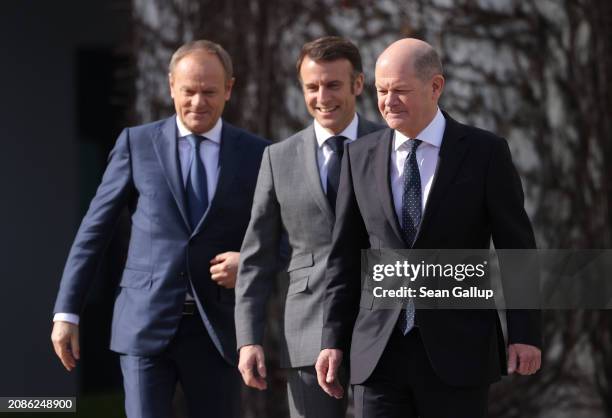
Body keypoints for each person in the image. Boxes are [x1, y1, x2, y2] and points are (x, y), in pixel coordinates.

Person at [315, 38, 542, 418]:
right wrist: (332, 340)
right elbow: (343, 259)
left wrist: (524, 333)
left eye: (400, 91)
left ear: (436, 86)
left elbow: (516, 250)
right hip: (378, 353)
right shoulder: (358, 156)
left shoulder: (485, 153)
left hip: (459, 352)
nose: (388, 102)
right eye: (381, 91)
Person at [51, 40, 269, 418]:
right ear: (171, 86)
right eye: (188, 91)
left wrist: (248, 262)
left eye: (209, 92)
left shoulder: (258, 153)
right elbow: (94, 231)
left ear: (229, 89)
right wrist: (67, 312)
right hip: (144, 324)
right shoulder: (136, 144)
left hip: (216, 330)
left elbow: (284, 235)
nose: (198, 102)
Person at [234, 36, 383, 418]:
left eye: (333, 84)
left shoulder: (389, 147)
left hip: (381, 322)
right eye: (312, 86)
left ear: (358, 84)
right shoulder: (278, 158)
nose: (322, 96)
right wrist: (248, 340)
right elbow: (256, 257)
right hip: (307, 327)